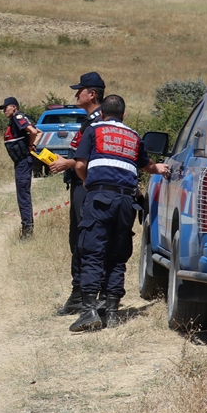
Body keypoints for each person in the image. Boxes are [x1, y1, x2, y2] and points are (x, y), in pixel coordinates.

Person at [69, 95, 169, 332]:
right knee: (117, 255)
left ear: (102, 113)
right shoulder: (133, 135)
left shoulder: (93, 130)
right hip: (126, 201)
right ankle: (112, 312)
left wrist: (87, 183)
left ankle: (89, 311)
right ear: (123, 115)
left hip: (100, 198)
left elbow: (80, 165)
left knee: (92, 252)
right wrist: (161, 169)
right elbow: (147, 166)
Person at [47, 72, 105, 314]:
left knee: (85, 240)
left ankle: (85, 294)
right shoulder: (89, 120)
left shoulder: (99, 121)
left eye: (79, 91)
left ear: (91, 94)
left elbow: (99, 158)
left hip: (87, 186)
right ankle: (80, 292)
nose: (75, 95)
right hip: (79, 185)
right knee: (77, 239)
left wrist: (68, 164)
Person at [0, 97, 40, 239]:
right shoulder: (14, 120)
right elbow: (38, 132)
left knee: (23, 195)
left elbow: (34, 132)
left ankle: (27, 231)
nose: (4, 110)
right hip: (22, 161)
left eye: (6, 107)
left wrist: (30, 146)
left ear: (14, 107)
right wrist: (33, 146)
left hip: (23, 161)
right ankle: (27, 227)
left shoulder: (18, 117)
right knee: (23, 194)